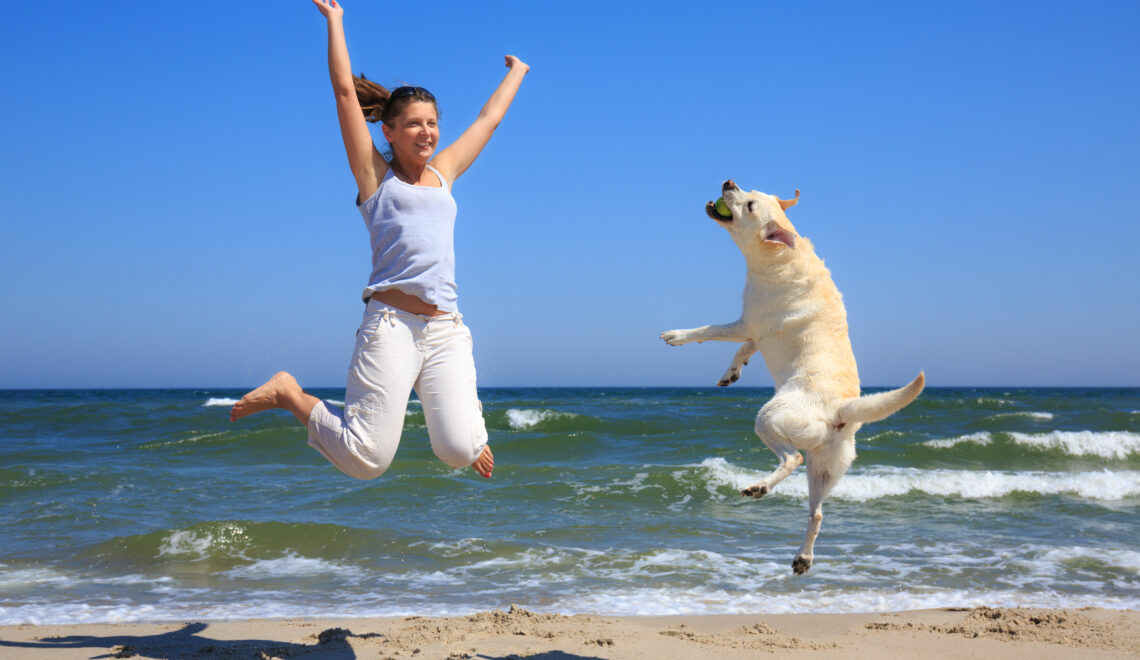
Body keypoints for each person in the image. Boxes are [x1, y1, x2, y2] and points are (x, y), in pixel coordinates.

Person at [230, 0, 529, 480]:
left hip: (445, 328)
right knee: (366, 461)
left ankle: (467, 438)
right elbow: (345, 94)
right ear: (388, 130)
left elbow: (487, 121)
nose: (426, 131)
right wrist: (336, 22)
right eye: (413, 123)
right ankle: (291, 394)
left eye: (432, 123)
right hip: (390, 325)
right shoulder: (376, 179)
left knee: (458, 450)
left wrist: (518, 71)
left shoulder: (444, 173)